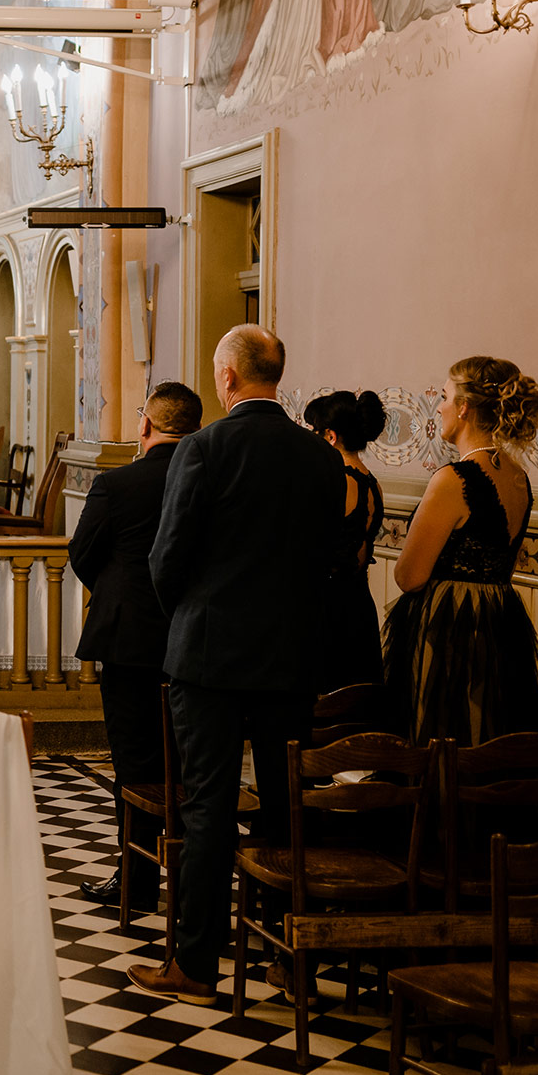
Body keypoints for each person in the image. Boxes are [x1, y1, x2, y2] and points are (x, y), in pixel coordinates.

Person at [128, 327, 344, 1007]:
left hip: (209, 656)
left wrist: (191, 617)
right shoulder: (320, 456)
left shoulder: (204, 447)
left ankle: (195, 964)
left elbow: (167, 557)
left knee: (208, 806)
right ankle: (288, 957)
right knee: (285, 806)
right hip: (290, 655)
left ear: (226, 377)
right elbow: (327, 559)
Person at [68, 381, 203, 915]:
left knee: (133, 760)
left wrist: (119, 589)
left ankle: (137, 879)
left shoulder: (118, 483)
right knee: (188, 762)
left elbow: (82, 553)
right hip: (193, 637)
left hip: (128, 642)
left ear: (145, 425)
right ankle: (190, 881)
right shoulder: (209, 480)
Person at [383, 357, 538, 757]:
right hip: (499, 622)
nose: (439, 406)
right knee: (488, 736)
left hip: (450, 631)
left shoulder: (453, 479)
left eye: (444, 396)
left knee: (443, 741)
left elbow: (409, 577)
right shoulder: (517, 477)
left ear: (464, 408)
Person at [303, 390, 389, 690]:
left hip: (327, 609)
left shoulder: (336, 481)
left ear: (330, 436)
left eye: (314, 431)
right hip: (358, 604)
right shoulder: (372, 483)